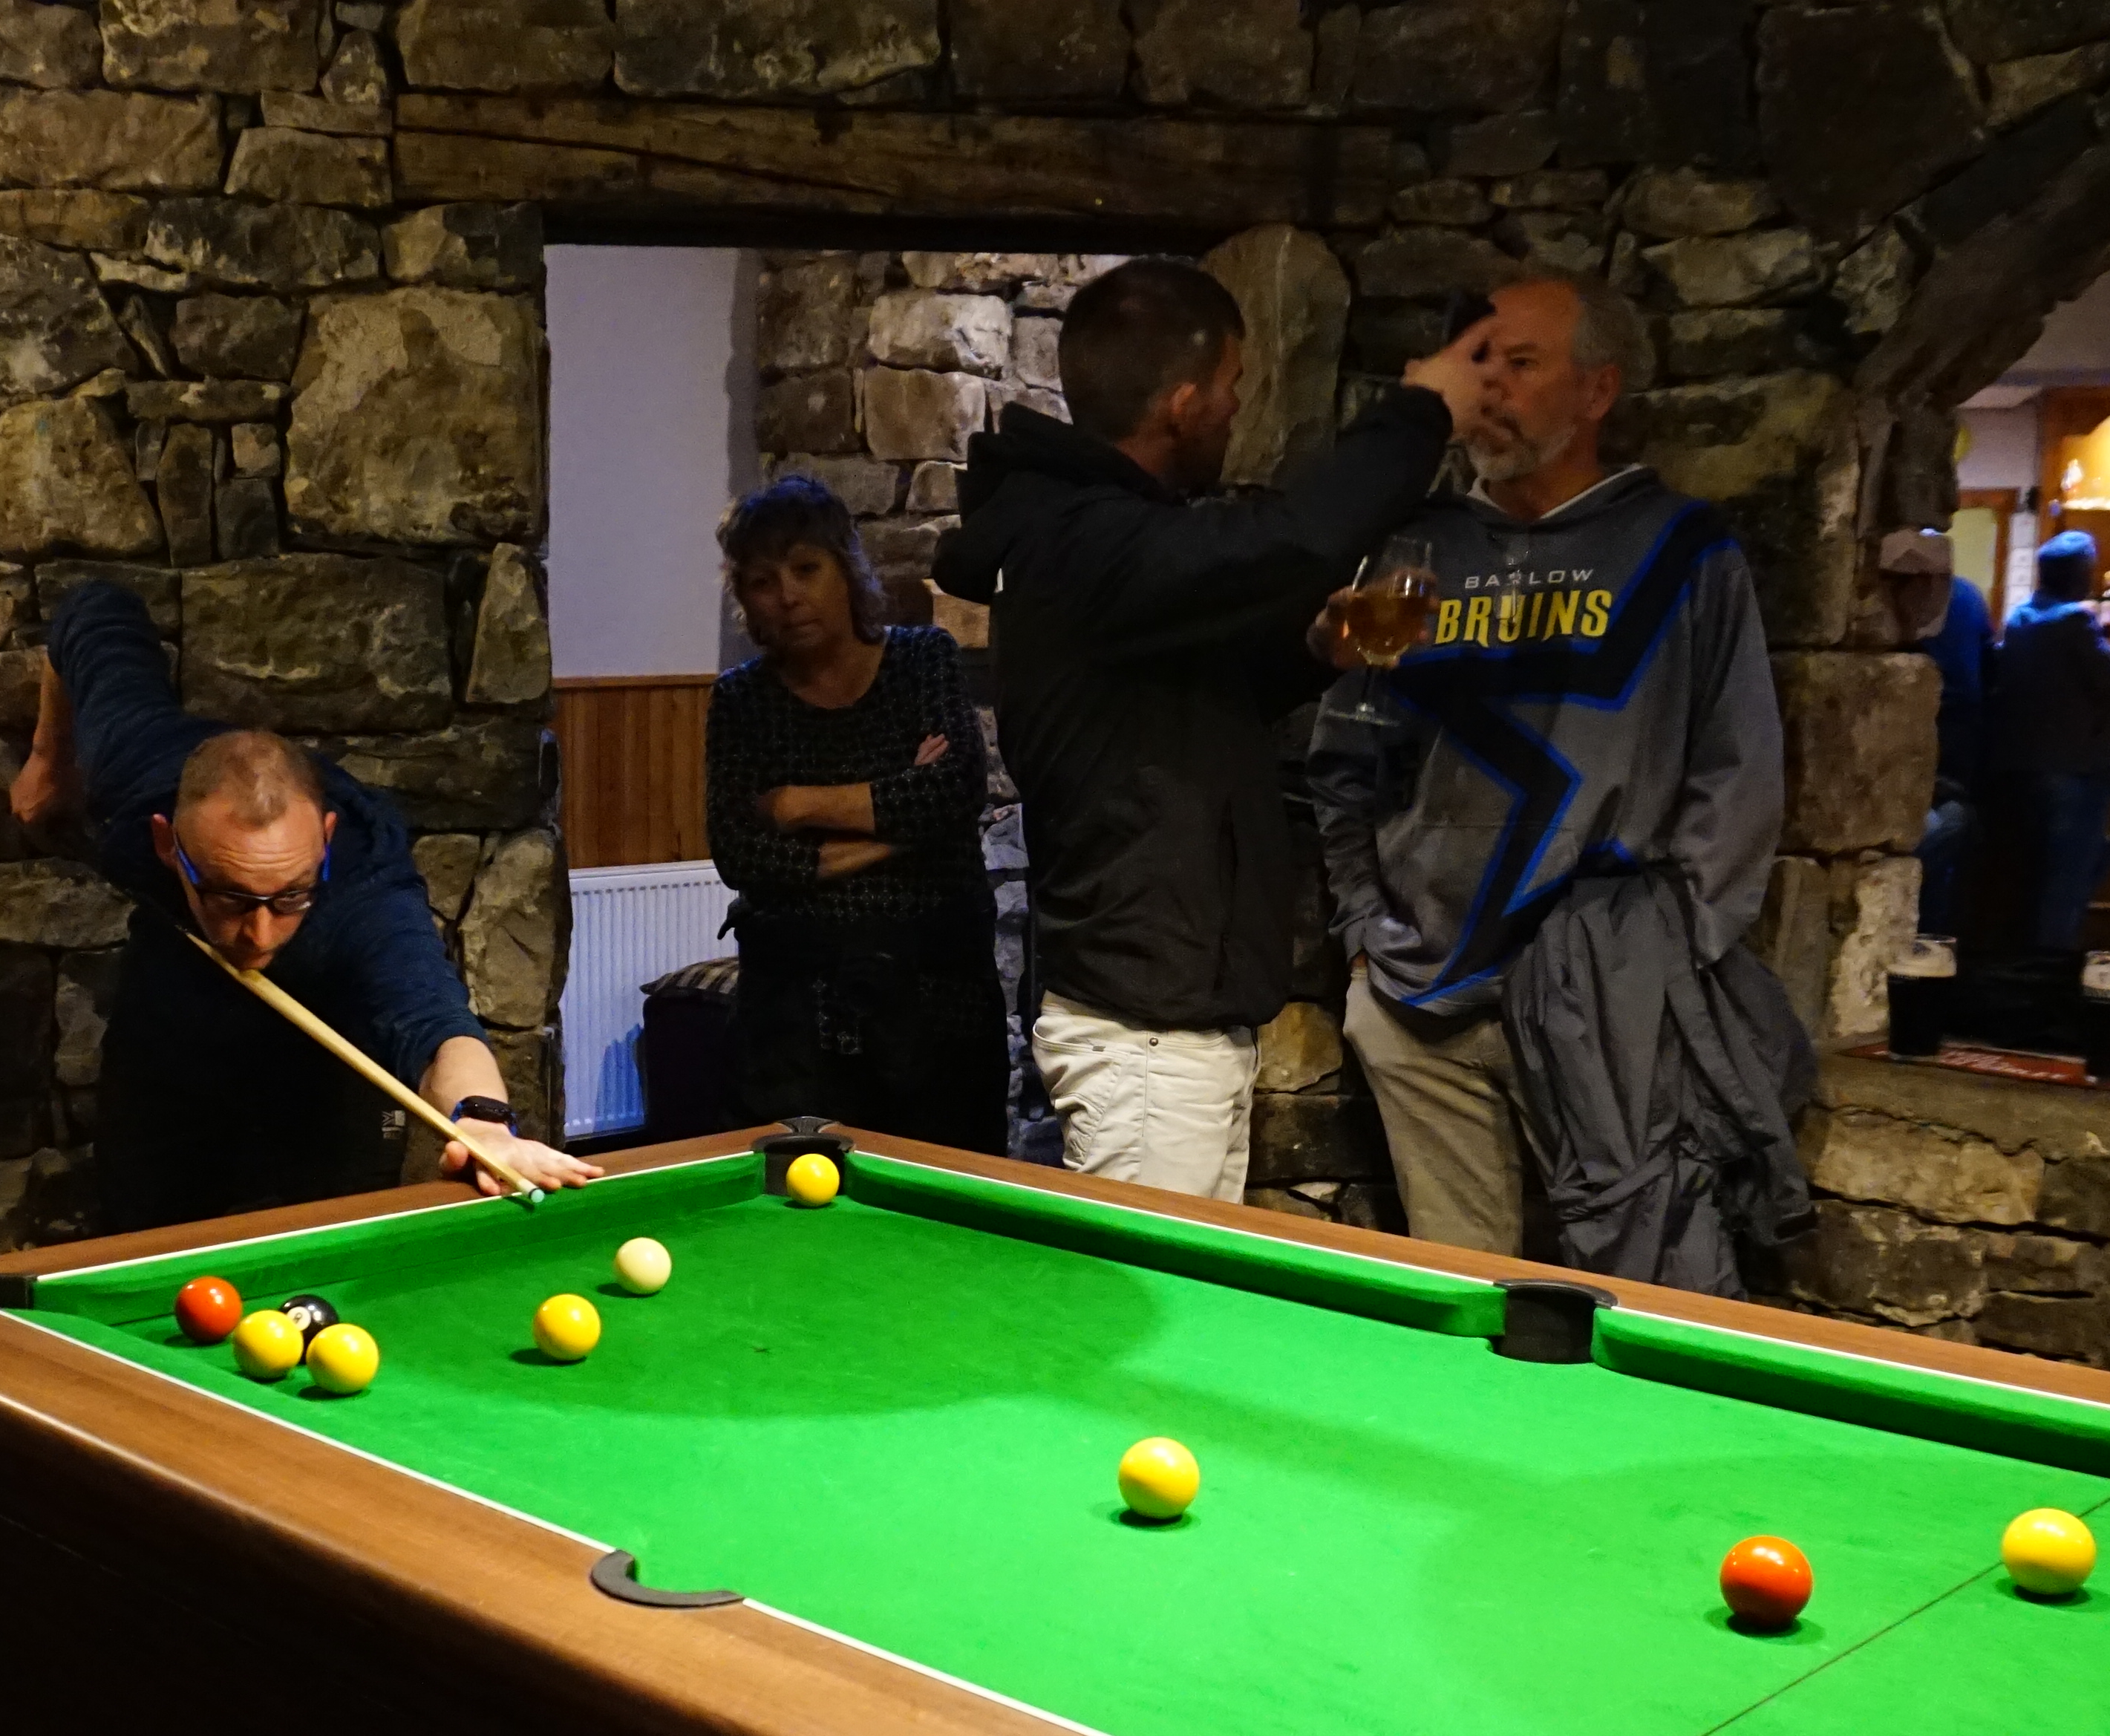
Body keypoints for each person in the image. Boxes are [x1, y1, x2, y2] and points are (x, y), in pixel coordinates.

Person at [927, 257, 1500, 1201]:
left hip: (1170, 1028)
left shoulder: (1097, 537)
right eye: (1233, 384)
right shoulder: (1086, 538)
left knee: (1183, 1286)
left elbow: (1174, 713)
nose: (1239, 407)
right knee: (1143, 1292)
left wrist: (1312, 651)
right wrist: (1421, 411)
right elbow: (1293, 541)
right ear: (1185, 404)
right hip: (1143, 1036)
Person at [1299, 266, 1809, 1289]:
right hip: (1415, 1001)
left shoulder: (1679, 550)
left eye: (1521, 363)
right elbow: (1345, 753)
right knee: (1458, 1302)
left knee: (1636, 1292)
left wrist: (1666, 957)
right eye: (1479, 362)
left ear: (1597, 389)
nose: (1489, 387)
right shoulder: (1415, 547)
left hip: (1603, 1004)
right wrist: (1363, 941)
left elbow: (1737, 772)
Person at [7, 581, 594, 1231]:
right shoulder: (134, 760)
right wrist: (48, 760)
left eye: (290, 896)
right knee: (140, 1227)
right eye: (230, 897)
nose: (259, 933)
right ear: (167, 844)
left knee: (325, 1237)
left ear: (326, 841)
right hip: (171, 1022)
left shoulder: (364, 896)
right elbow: (92, 610)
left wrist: (484, 1122)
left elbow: (436, 1022)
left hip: (326, 1071)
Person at [699, 477, 1002, 1149]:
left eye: (806, 569)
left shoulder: (922, 660)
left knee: (948, 1197)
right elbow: (742, 855)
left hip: (940, 1009)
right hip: (792, 1025)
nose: (788, 596)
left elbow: (955, 789)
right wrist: (902, 831)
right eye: (763, 581)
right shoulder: (741, 701)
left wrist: (796, 804)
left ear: (846, 567)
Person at [1983, 530, 2110, 951]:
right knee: (2066, 882)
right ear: (2082, 575)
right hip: (2074, 770)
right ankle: (2051, 969)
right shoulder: (2075, 621)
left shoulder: (2020, 619)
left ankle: (2024, 967)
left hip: (2019, 771)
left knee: (2028, 882)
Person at [1916, 569, 1992, 935]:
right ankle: (1930, 940)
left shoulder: (1899, 590)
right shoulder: (1966, 595)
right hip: (1960, 733)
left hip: (1914, 725)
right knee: (1951, 824)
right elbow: (1988, 665)